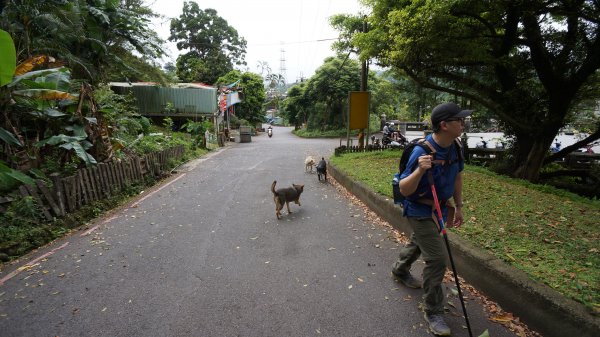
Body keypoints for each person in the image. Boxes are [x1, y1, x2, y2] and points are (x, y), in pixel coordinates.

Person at [391, 102, 471, 336]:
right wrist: (419, 170)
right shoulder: (421, 151)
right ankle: (433, 310)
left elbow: (457, 176)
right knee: (437, 259)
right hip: (418, 208)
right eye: (459, 120)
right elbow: (405, 189)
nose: (462, 123)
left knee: (419, 242)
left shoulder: (455, 146)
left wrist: (458, 206)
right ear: (444, 125)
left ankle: (399, 270)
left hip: (440, 208)